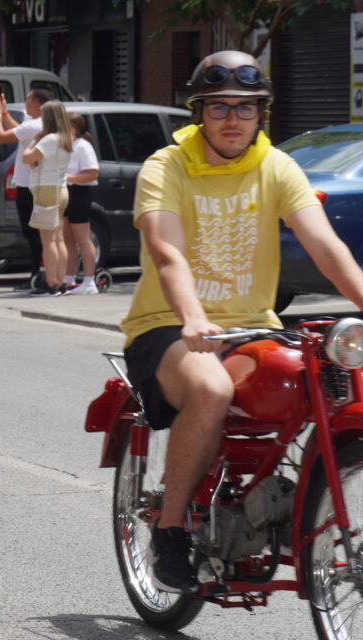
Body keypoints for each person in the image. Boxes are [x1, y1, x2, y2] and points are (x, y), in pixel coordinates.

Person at [120, 50, 363, 594]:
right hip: (169, 325)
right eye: (220, 108)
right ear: (198, 113)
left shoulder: (276, 166)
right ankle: (172, 527)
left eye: (246, 108)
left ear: (261, 113)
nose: (233, 119)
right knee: (209, 389)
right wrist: (191, 317)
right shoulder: (167, 166)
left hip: (254, 326)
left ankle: (280, 505)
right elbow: (167, 253)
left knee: (333, 380)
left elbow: (326, 246)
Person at [0, 87, 52, 292]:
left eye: (28, 99)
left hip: (30, 185)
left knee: (33, 233)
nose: (25, 103)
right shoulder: (38, 124)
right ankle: (43, 275)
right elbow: (19, 132)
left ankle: (37, 274)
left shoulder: (35, 124)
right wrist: (6, 114)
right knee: (41, 233)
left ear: (36, 102)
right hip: (37, 183)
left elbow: (0, 137)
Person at [21, 100, 73, 297]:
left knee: (48, 240)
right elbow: (37, 162)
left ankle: (51, 282)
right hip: (60, 188)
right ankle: (61, 281)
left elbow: (27, 158)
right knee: (58, 238)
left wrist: (34, 141)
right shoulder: (65, 138)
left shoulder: (49, 139)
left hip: (46, 189)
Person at [62, 112, 100, 294]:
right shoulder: (67, 145)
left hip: (79, 192)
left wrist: (68, 177)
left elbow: (92, 173)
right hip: (66, 192)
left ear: (73, 128)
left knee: (82, 238)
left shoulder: (83, 146)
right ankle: (68, 277)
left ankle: (89, 280)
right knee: (67, 237)